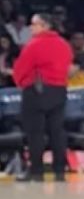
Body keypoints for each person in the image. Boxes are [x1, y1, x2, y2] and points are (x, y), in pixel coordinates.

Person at [10, 13, 71, 183]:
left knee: (35, 133)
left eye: (34, 24)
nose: (31, 27)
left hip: (37, 91)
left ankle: (36, 171)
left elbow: (21, 68)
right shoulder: (64, 44)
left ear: (45, 26)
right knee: (57, 132)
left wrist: (21, 83)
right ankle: (60, 171)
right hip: (59, 90)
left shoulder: (33, 45)